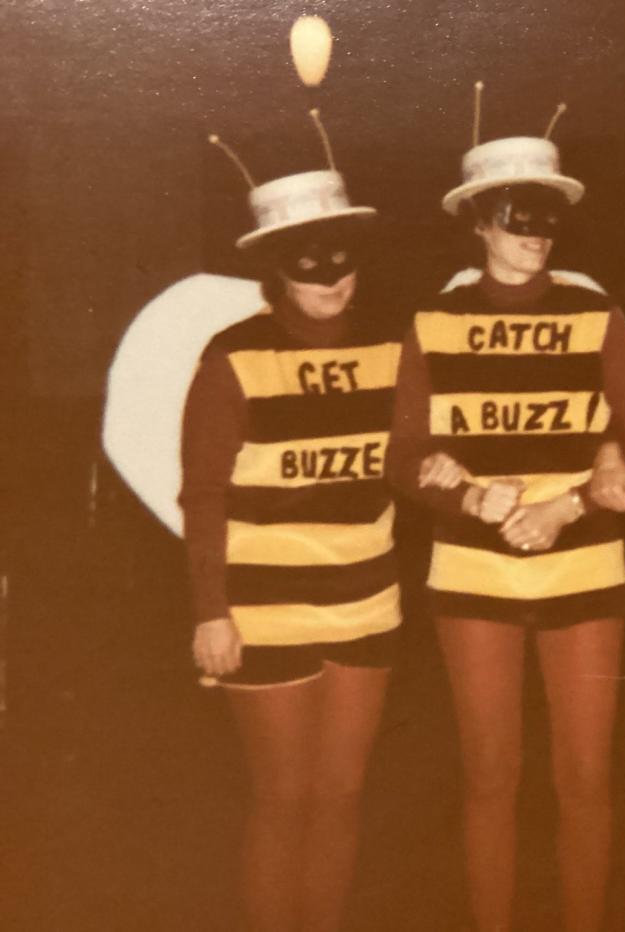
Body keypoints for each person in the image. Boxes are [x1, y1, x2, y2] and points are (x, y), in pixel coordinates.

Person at [387, 101, 625, 932]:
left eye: (549, 216)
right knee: (490, 776)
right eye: (518, 216)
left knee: (584, 777)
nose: (537, 233)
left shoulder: (597, 314)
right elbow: (402, 454)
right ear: (478, 221)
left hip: (582, 561)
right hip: (472, 570)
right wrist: (464, 494)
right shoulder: (432, 322)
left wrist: (569, 504)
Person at [181, 119, 403, 931]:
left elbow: (420, 453)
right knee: (283, 798)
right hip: (262, 607)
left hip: (366, 600)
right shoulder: (231, 356)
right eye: (309, 262)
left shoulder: (393, 345)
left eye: (342, 256)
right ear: (277, 267)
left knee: (341, 798)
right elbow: (203, 493)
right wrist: (211, 611)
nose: (331, 278)